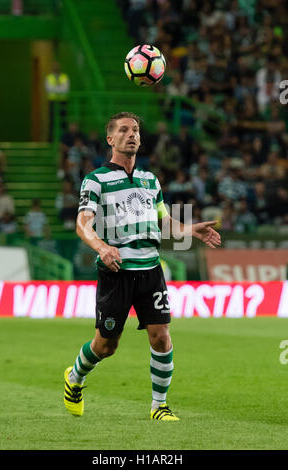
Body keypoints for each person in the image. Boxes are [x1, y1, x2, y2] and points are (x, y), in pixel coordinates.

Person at [63, 112, 221, 421]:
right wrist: (102, 247)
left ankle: (158, 406)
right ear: (111, 139)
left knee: (161, 336)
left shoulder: (151, 181)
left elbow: (165, 222)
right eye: (123, 130)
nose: (131, 134)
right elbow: (82, 225)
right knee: (106, 345)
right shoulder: (96, 180)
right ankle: (74, 378)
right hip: (116, 272)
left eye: (135, 129)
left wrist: (190, 230)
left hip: (151, 270)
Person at [45, 62, 70, 142]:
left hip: (63, 102)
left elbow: (65, 90)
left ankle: (64, 140)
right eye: (54, 67)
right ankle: (51, 140)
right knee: (52, 122)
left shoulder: (64, 77)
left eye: (57, 67)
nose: (56, 68)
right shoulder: (49, 77)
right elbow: (49, 89)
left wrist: (55, 89)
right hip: (53, 102)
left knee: (63, 122)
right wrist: (59, 88)